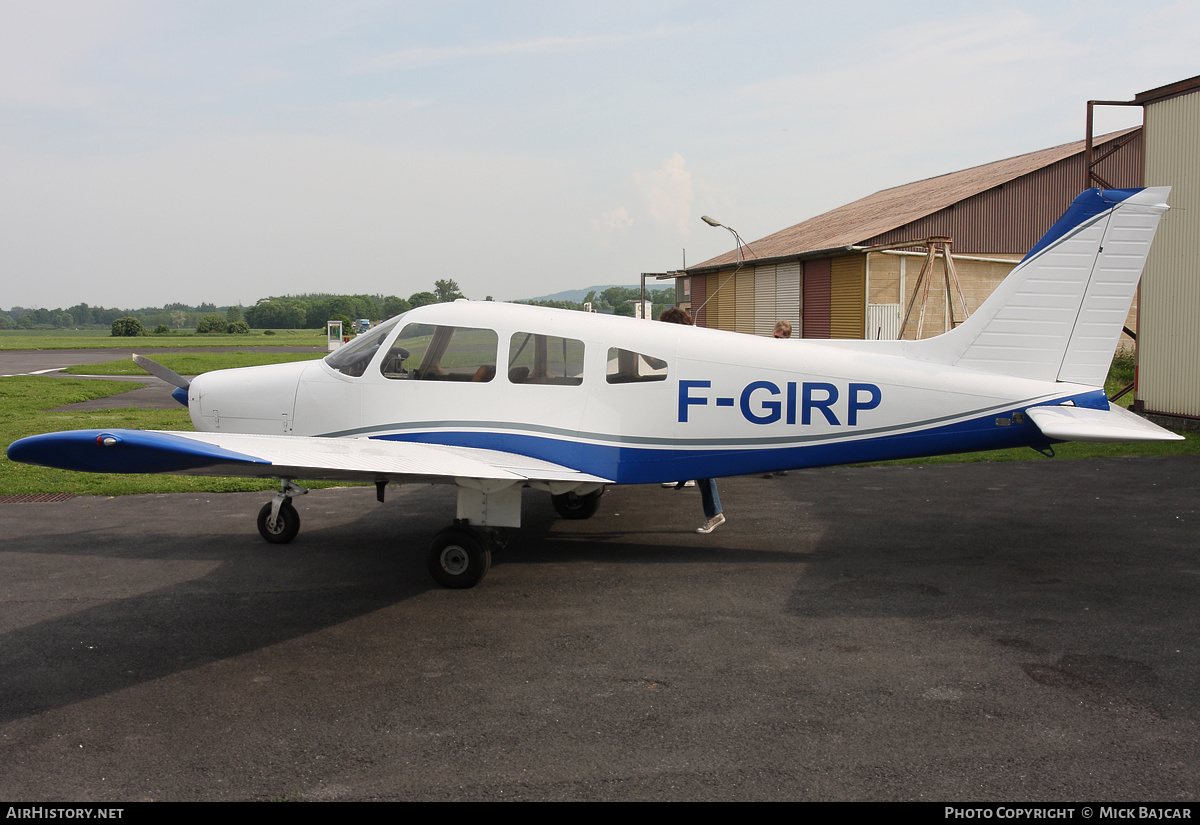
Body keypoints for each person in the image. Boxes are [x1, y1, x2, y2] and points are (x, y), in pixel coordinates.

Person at [658, 307, 725, 534]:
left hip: (694, 410)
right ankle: (682, 479)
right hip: (694, 409)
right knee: (697, 460)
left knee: (701, 463)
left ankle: (714, 512)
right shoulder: (694, 344)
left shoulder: (685, 348)